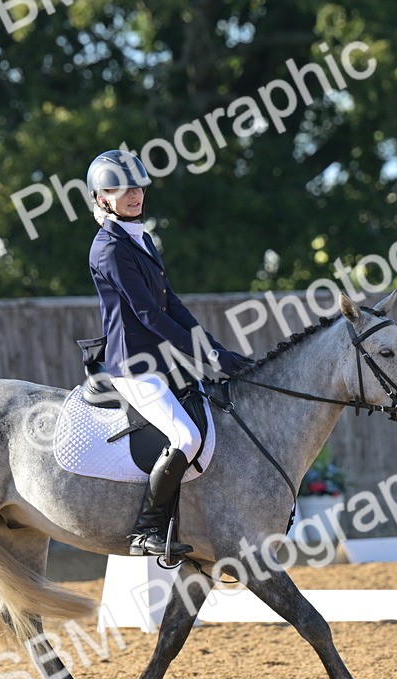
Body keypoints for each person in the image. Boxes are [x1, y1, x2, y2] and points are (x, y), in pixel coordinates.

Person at [85, 149, 251, 557]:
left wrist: (215, 350)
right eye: (122, 189)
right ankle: (146, 530)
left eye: (138, 186)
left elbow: (172, 305)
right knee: (186, 436)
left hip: (164, 362)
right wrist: (205, 356)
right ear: (103, 197)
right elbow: (147, 314)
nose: (135, 194)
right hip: (134, 366)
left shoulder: (139, 238)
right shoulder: (109, 248)